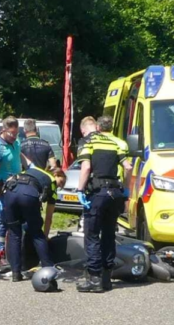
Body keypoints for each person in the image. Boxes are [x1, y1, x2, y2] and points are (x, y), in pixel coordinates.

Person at [74, 115, 132, 293]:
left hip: (97, 194)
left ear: (97, 127)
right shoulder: (117, 143)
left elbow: (86, 168)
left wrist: (80, 190)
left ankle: (94, 279)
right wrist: (126, 190)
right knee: (108, 235)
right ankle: (107, 278)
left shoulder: (88, 142)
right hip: (114, 193)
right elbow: (128, 167)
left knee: (92, 235)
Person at [0, 162, 58, 282]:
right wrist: (45, 236)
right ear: (57, 175)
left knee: (14, 233)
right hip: (28, 194)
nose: (60, 186)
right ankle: (48, 269)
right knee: (36, 233)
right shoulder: (52, 181)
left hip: (10, 192)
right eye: (61, 182)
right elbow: (49, 216)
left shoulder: (32, 170)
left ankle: (16, 273)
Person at [0, 116, 22, 271]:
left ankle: (18, 253)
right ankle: (1, 255)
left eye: (16, 133)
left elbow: (19, 156)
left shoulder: (16, 141)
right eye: (11, 134)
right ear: (4, 130)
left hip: (19, 185)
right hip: (3, 188)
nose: (14, 137)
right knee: (2, 223)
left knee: (19, 220)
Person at [19, 118, 65, 236]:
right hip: (41, 182)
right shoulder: (46, 144)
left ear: (25, 130)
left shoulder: (21, 145)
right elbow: (53, 166)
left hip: (25, 182)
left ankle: (25, 239)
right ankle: (42, 238)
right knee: (40, 214)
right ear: (37, 129)